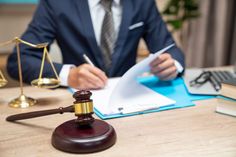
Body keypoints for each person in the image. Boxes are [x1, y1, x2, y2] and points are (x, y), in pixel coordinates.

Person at [7, 0, 185, 90]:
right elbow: (20, 60)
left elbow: (171, 49)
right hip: (76, 104)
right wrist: (69, 75)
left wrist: (172, 65)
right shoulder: (56, 3)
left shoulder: (141, 2)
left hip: (129, 101)